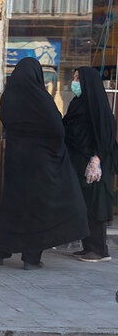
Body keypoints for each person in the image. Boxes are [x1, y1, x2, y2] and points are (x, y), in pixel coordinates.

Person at [0, 57, 88, 270]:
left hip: (16, 161)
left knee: (13, 206)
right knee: (37, 209)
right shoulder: (41, 98)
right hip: (41, 165)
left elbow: (6, 122)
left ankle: (0, 251)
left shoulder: (8, 98)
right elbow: (57, 129)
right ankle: (31, 258)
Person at [63, 66, 116, 262]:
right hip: (79, 161)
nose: (74, 82)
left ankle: (99, 250)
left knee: (96, 206)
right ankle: (88, 247)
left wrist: (96, 160)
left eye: (78, 78)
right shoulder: (78, 103)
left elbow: (106, 137)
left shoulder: (98, 106)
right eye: (74, 77)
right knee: (84, 205)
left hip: (95, 164)